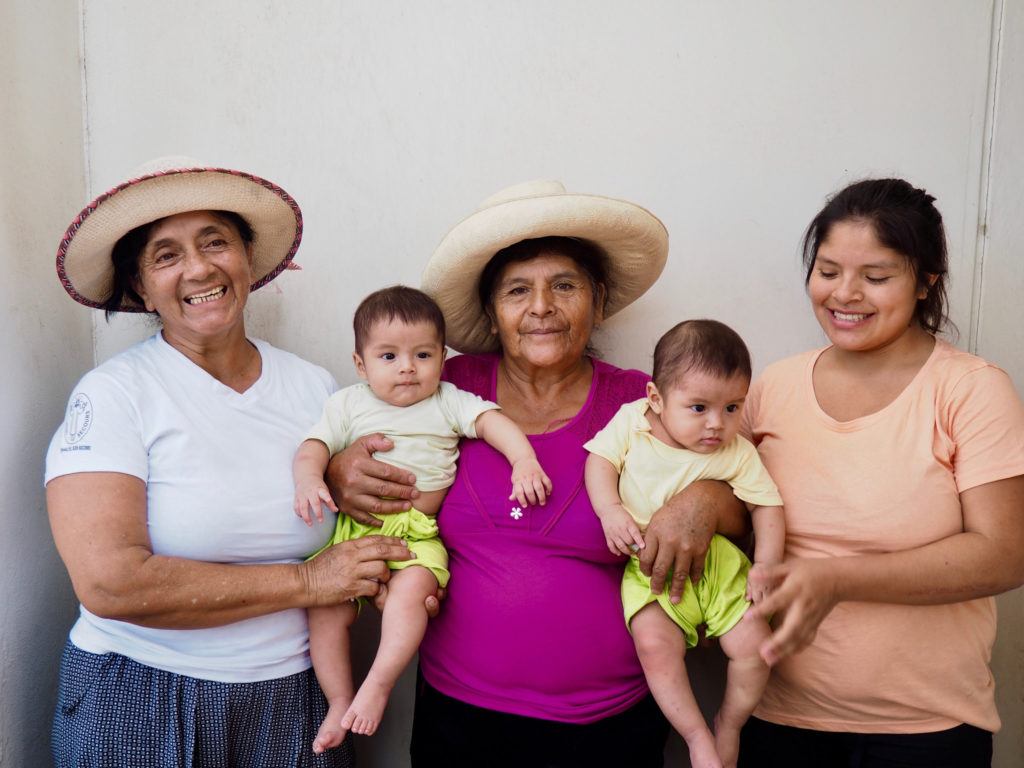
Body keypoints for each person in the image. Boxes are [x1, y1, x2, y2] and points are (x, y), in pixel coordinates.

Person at [326, 180, 751, 768]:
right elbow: (351, 427)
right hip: (460, 716)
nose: (542, 306)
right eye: (518, 290)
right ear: (492, 312)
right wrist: (336, 467)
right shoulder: (440, 385)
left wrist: (704, 499)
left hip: (609, 723)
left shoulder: (644, 401)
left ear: (598, 302)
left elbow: (745, 495)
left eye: (565, 286)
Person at [45, 156, 413, 768]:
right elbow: (109, 581)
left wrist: (345, 483)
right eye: (166, 255)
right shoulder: (113, 395)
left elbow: (366, 512)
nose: (198, 267)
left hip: (297, 699)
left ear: (247, 259)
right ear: (139, 287)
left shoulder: (314, 388)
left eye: (215, 242)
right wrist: (306, 581)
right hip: (141, 695)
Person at [738, 178, 1024, 767]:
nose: (845, 294)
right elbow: (731, 503)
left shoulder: (971, 389)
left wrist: (837, 579)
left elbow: (1005, 555)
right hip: (779, 717)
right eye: (828, 270)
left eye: (876, 277)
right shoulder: (774, 385)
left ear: (925, 282)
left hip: (925, 733)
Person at [292, 285, 550, 751]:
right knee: (323, 608)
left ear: (442, 357)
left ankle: (380, 683)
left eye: (423, 354)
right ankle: (337, 699)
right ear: (360, 364)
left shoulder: (448, 400)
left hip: (418, 534)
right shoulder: (348, 404)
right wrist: (310, 479)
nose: (407, 367)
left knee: (412, 595)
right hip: (356, 530)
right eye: (388, 356)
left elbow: (493, 422)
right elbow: (314, 446)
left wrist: (524, 461)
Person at [584, 318, 784, 768]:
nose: (717, 424)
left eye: (733, 408)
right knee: (654, 647)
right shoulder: (632, 423)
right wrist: (610, 511)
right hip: (649, 569)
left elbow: (767, 508)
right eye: (699, 408)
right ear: (656, 398)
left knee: (757, 649)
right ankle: (695, 736)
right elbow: (599, 463)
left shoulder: (736, 453)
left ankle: (729, 723)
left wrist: (765, 566)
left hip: (720, 571)